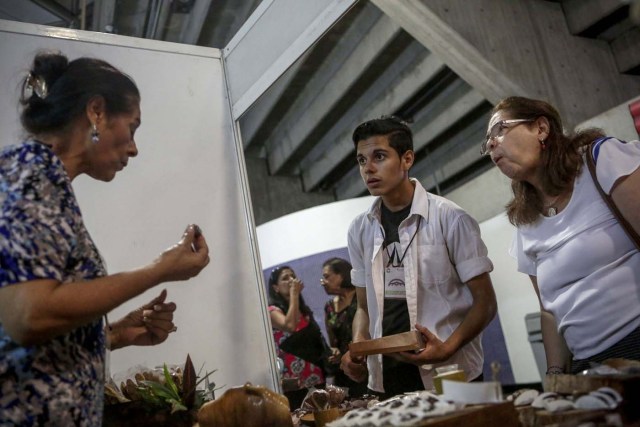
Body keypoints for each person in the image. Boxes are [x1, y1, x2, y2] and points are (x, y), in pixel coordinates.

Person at [0, 51, 210, 426]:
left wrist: (113, 333)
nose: (133, 147)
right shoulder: (32, 170)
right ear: (96, 111)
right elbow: (27, 315)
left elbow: (32, 336)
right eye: (132, 127)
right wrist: (160, 270)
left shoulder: (47, 181)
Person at [339, 116, 497, 398]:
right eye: (362, 160)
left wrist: (448, 347)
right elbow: (363, 308)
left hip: (451, 370)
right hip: (388, 377)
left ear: (407, 158)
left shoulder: (450, 217)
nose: (368, 169)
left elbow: (485, 302)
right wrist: (359, 345)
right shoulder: (359, 230)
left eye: (379, 156)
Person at [483, 96, 640, 374]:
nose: (492, 144)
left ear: (541, 128)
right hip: (588, 366)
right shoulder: (525, 221)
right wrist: (555, 374)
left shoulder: (601, 160)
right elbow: (548, 310)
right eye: (487, 142)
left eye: (499, 130)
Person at [268, 265, 327, 409]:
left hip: (315, 375)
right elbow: (289, 326)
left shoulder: (303, 311)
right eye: (285, 278)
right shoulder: (272, 311)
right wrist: (294, 294)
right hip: (294, 382)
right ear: (275, 288)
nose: (290, 280)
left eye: (292, 276)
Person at [320, 257, 368, 397]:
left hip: (365, 365)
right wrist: (334, 352)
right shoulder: (329, 307)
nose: (323, 282)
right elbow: (333, 341)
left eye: (327, 277)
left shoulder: (361, 298)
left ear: (342, 274)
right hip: (344, 370)